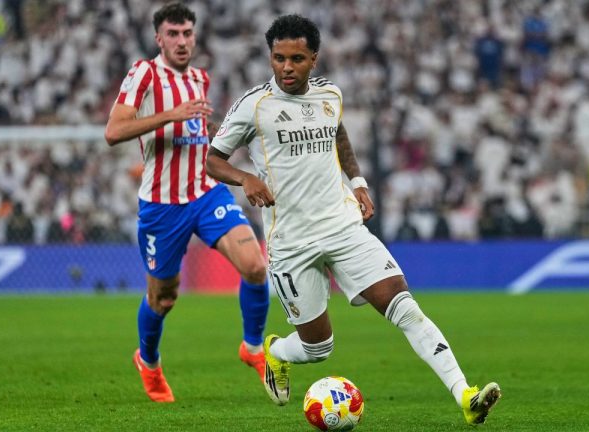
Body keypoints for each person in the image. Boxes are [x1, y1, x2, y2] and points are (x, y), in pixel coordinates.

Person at [206, 14, 501, 425]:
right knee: (317, 348)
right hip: (291, 243)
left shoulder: (330, 95)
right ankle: (274, 351)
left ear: (314, 59)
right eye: (278, 58)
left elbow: (338, 134)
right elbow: (213, 161)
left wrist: (357, 181)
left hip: (343, 226)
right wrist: (245, 178)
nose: (286, 67)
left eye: (297, 58)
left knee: (405, 307)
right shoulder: (253, 107)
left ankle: (465, 396)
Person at [104, 3, 270, 403]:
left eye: (187, 34)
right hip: (163, 205)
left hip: (206, 191)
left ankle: (252, 347)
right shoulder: (142, 73)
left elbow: (194, 126)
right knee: (164, 297)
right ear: (159, 38)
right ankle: (148, 360)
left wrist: (215, 132)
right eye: (173, 34)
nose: (182, 41)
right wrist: (170, 115)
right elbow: (113, 131)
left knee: (255, 266)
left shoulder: (199, 77)